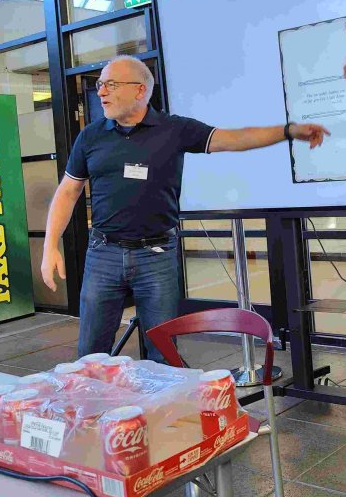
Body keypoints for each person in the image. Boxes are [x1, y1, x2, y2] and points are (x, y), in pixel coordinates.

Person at [40, 55, 330, 362]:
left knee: (164, 352)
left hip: (156, 256)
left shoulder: (174, 129)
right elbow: (68, 191)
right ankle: (94, 395)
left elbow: (235, 138)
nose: (101, 91)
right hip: (103, 254)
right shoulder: (91, 136)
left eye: (111, 84)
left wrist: (288, 131)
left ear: (140, 90)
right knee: (90, 353)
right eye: (100, 84)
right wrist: (50, 246)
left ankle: (162, 394)